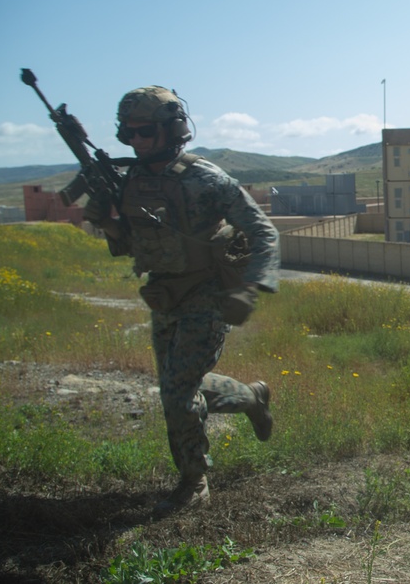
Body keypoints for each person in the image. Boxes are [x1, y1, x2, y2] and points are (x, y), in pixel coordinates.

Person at [84, 84, 281, 515]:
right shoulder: (133, 180)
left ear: (172, 130)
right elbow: (132, 244)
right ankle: (251, 397)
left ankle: (194, 481)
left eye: (145, 132)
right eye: (128, 134)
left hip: (207, 294)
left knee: (176, 392)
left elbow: (264, 230)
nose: (136, 142)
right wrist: (109, 225)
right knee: (178, 386)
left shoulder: (203, 178)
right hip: (163, 295)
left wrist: (250, 288)